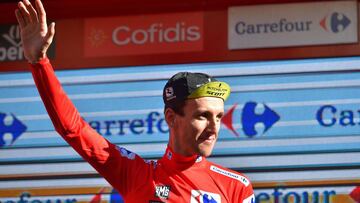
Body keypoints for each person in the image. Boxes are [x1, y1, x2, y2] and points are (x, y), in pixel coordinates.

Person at [15, 0, 255, 202]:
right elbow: (73, 129)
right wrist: (39, 63)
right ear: (171, 117)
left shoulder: (236, 187)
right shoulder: (136, 174)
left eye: (219, 117)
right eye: (202, 115)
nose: (214, 128)